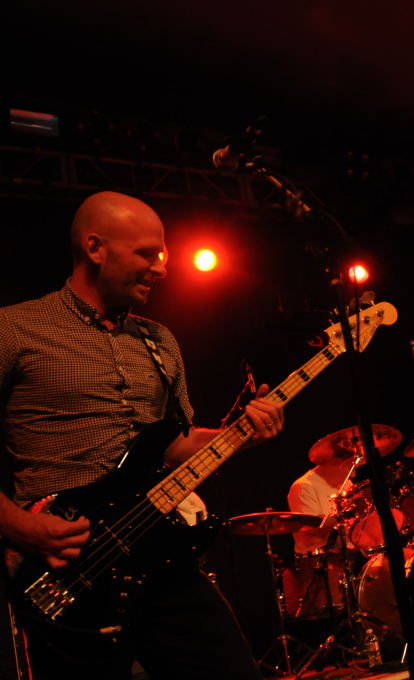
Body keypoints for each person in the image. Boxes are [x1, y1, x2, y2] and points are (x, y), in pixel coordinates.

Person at [0, 191, 285, 679]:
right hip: (63, 565)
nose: (162, 269)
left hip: (160, 557)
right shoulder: (15, 329)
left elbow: (174, 446)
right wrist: (18, 526)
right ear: (95, 248)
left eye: (164, 255)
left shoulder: (160, 340)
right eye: (147, 254)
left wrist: (241, 434)